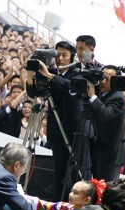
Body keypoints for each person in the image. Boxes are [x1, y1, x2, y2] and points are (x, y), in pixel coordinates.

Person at [25, 41, 81, 201]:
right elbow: (33, 91)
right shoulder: (49, 71)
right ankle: (57, 204)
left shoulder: (76, 72)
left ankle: (73, 204)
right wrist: (30, 73)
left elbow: (70, 87)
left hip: (73, 130)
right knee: (58, 170)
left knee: (73, 172)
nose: (61, 58)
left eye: (65, 55)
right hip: (55, 128)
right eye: (58, 55)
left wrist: (49, 75)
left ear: (72, 57)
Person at [86, 65, 125, 181]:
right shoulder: (99, 91)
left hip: (110, 151)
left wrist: (93, 97)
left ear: (115, 80)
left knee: (105, 184)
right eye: (101, 77)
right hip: (97, 145)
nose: (102, 81)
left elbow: (106, 114)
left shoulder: (117, 97)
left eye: (107, 79)